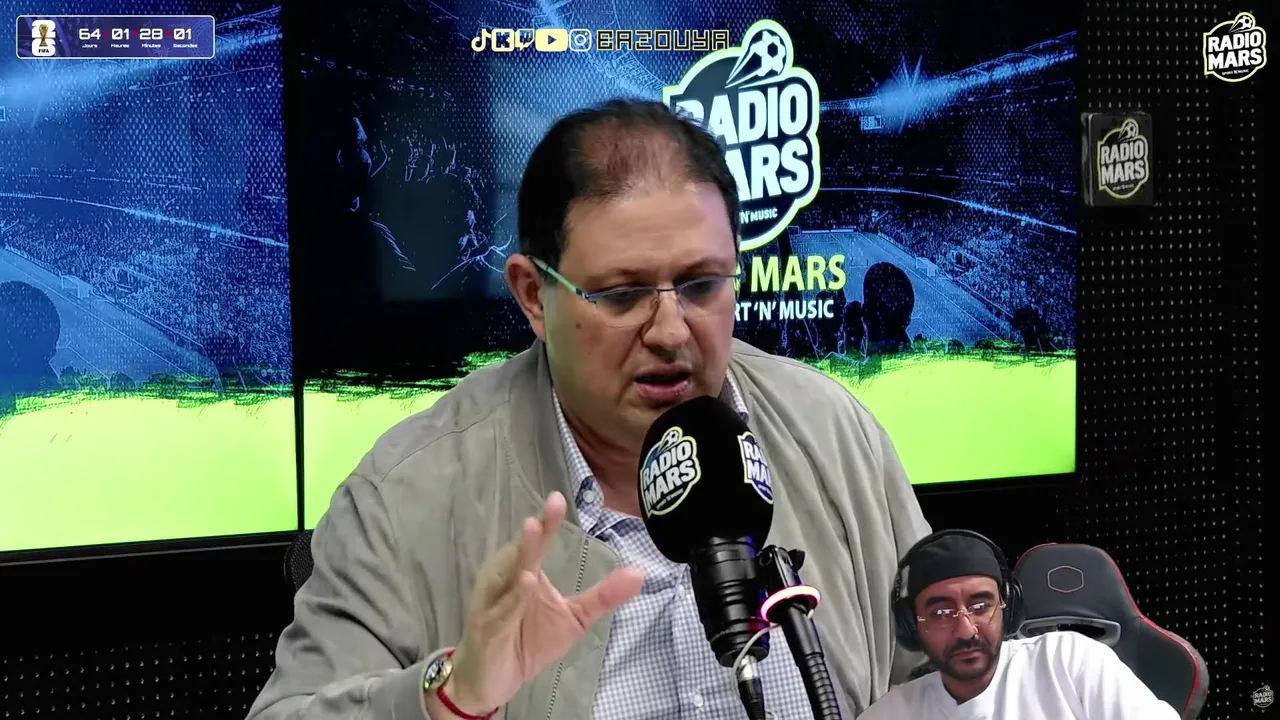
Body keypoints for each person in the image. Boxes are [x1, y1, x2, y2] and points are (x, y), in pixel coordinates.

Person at [247, 98, 931, 720]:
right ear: (533, 296)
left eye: (701, 284)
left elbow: (945, 677)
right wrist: (450, 698)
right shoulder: (405, 497)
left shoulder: (832, 432)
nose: (671, 331)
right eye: (622, 294)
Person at [859, 530, 1182, 719]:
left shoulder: (1067, 661)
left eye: (981, 606)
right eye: (942, 613)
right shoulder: (894, 713)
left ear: (1007, 608)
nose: (966, 630)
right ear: (911, 625)